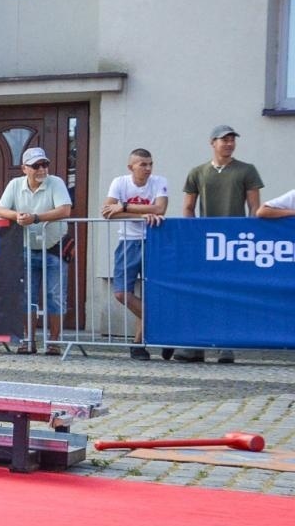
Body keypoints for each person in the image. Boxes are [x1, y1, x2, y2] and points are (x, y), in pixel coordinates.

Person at [178, 125, 264, 363]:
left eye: (231, 140)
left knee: (227, 293)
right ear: (212, 142)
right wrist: (192, 233)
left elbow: (255, 207)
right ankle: (197, 345)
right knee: (200, 292)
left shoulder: (247, 170)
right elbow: (188, 207)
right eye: (223, 140)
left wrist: (251, 235)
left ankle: (226, 345)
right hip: (205, 241)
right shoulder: (198, 172)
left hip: (235, 242)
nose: (229, 143)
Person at [0, 147, 73, 354]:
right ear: (24, 169)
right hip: (27, 247)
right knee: (27, 296)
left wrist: (36, 218)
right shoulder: (14, 184)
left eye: (44, 164)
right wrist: (16, 215)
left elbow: (65, 209)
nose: (42, 169)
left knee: (55, 295)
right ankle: (28, 339)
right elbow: (0, 209)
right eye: (36, 166)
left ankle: (54, 341)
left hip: (55, 246)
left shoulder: (56, 182)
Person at [99, 148, 169, 359]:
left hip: (153, 241)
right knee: (121, 293)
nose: (148, 168)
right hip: (128, 241)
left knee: (150, 291)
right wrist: (141, 213)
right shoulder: (119, 182)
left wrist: (125, 206)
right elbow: (107, 212)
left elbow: (160, 209)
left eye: (150, 164)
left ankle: (139, 343)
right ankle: (165, 327)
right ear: (131, 167)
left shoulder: (159, 181)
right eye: (143, 164)